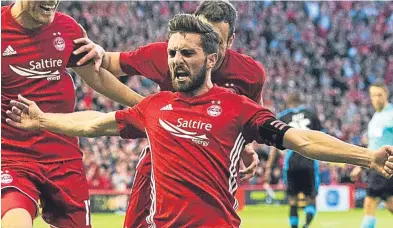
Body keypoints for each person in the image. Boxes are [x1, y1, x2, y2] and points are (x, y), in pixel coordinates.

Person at [6, 14, 393, 227]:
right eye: (172, 52)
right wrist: (43, 120)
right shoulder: (154, 106)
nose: (176, 60)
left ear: (211, 59)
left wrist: (365, 157)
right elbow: (93, 123)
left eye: (187, 53)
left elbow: (301, 140)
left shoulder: (237, 107)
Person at [73, 1, 264, 226]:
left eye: (217, 41)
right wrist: (100, 52)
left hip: (213, 171)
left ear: (231, 40)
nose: (208, 43)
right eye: (203, 34)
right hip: (162, 165)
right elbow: (108, 63)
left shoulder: (250, 74)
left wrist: (246, 146)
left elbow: (252, 118)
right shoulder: (168, 54)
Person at [1, 1, 143, 227]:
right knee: (14, 218)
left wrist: (144, 104)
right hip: (13, 157)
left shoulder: (67, 29)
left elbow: (96, 77)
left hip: (63, 157)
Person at [264, 92, 322, 228]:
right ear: (301, 102)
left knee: (292, 201)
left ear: (288, 103)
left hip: (291, 163)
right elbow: (321, 138)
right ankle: (306, 225)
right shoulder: (311, 114)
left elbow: (274, 148)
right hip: (310, 161)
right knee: (311, 199)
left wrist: (268, 168)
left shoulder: (282, 117)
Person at [350, 80, 393, 228]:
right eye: (373, 95)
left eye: (379, 95)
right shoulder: (375, 118)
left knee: (369, 203)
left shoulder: (391, 114)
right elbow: (372, 146)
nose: (376, 99)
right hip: (376, 168)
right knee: (390, 205)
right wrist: (361, 166)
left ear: (386, 94)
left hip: (387, 165)